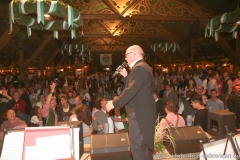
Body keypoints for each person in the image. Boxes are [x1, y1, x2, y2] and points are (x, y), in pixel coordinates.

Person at [106, 45, 155, 160]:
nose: (125, 59)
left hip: (138, 115)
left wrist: (114, 103)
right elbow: (138, 88)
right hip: (142, 114)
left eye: (126, 55)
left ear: (134, 54)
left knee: (138, 151)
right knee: (143, 151)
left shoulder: (139, 68)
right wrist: (126, 76)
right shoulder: (143, 67)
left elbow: (131, 90)